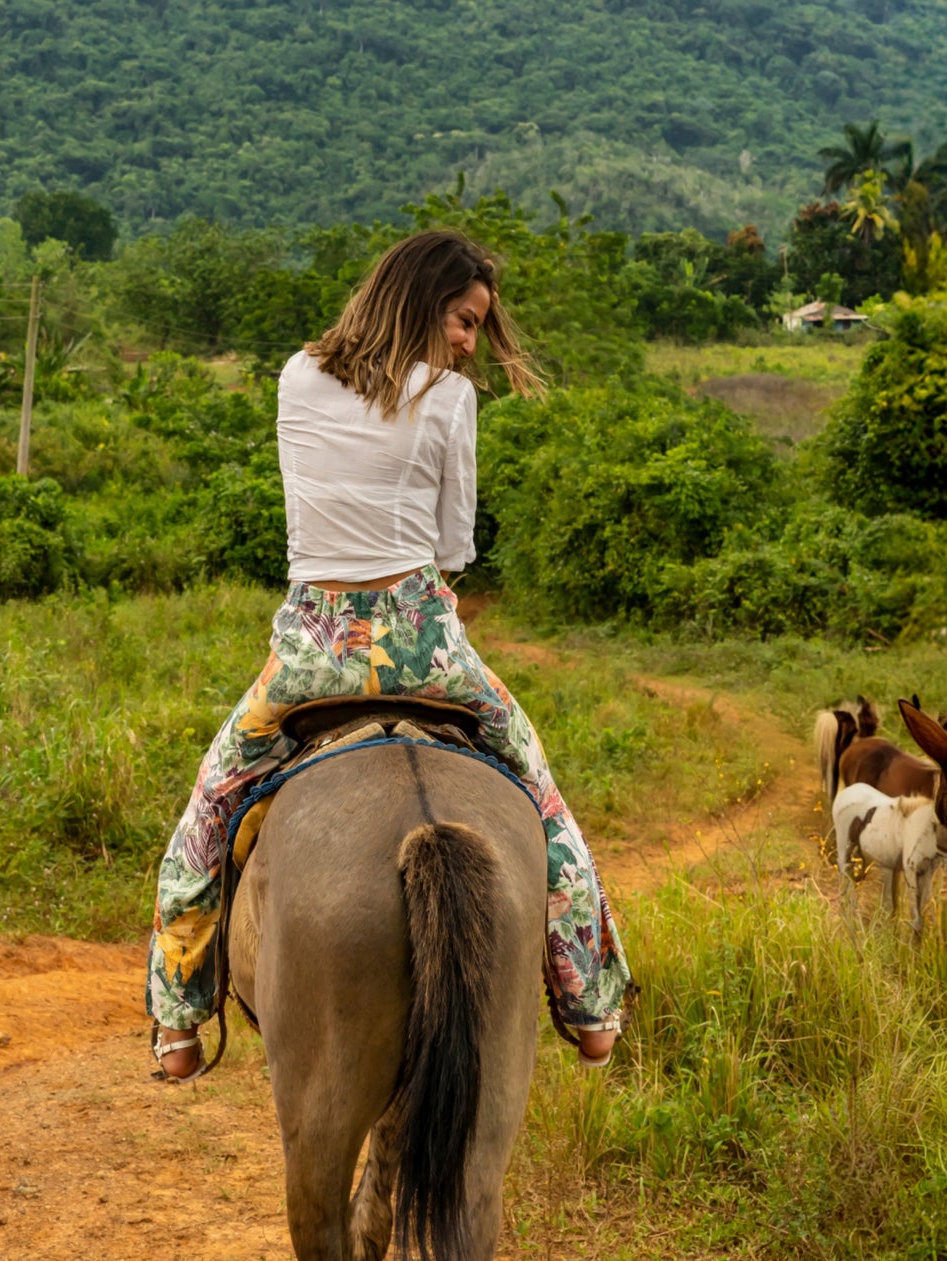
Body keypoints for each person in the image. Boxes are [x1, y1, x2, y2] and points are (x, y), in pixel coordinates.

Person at [144, 229, 630, 1080]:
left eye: (477, 326)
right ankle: (590, 1008)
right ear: (419, 301)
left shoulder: (296, 376)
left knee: (209, 811)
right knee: (545, 804)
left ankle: (179, 1024)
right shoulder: (449, 397)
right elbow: (454, 548)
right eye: (463, 319)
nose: (470, 341)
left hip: (310, 654)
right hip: (424, 649)